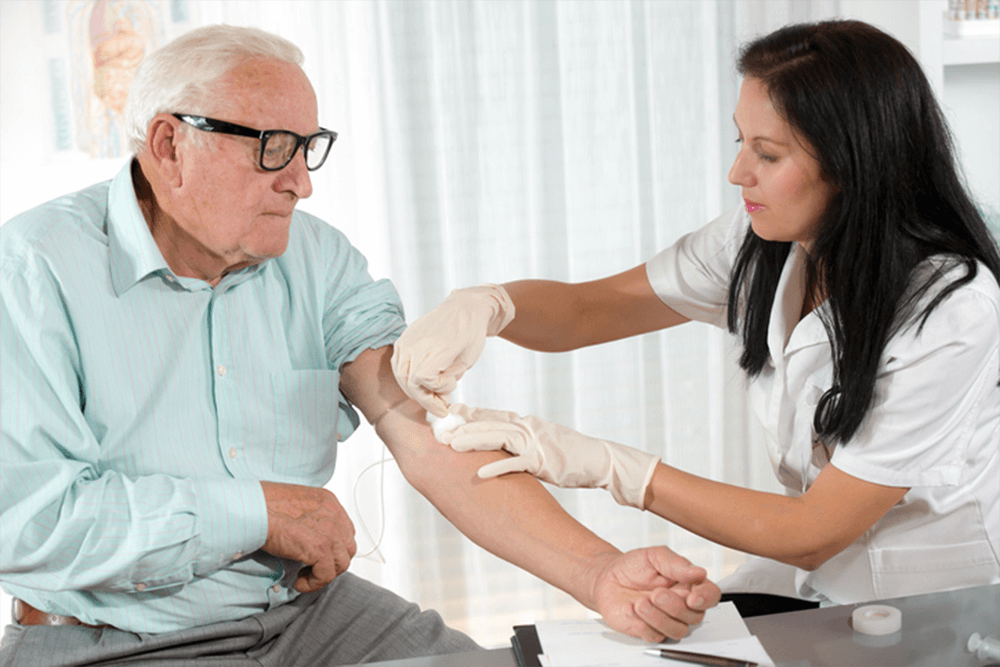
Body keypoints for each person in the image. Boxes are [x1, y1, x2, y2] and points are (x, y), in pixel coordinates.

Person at [0, 25, 721, 667]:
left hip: (309, 619)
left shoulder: (316, 259)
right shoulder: (32, 270)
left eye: (309, 148)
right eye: (272, 149)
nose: (302, 182)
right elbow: (24, 519)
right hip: (107, 638)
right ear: (169, 145)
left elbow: (429, 436)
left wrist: (598, 573)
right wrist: (258, 512)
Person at [392, 19, 1000, 616]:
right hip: (820, 575)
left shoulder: (950, 309)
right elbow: (586, 311)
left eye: (767, 153)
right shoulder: (763, 239)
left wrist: (612, 467)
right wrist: (489, 305)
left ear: (853, 163)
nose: (738, 173)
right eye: (741, 142)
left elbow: (816, 529)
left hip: (935, 597)